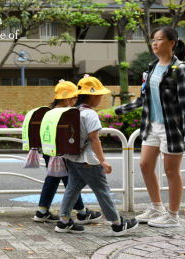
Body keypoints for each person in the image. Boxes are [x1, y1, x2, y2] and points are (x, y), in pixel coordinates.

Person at [116, 27, 185, 228]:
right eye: (153, 40)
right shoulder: (152, 68)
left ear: (172, 42)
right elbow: (145, 98)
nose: (154, 43)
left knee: (171, 171)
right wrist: (121, 109)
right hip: (151, 125)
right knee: (145, 165)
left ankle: (172, 215)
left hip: (171, 128)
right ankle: (156, 207)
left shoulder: (181, 70)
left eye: (159, 39)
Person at [55, 76, 139, 237]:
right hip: (88, 161)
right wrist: (103, 160)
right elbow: (94, 138)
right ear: (93, 96)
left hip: (72, 158)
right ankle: (117, 224)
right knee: (102, 190)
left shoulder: (72, 112)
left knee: (72, 189)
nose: (101, 98)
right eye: (100, 95)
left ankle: (64, 221)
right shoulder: (90, 114)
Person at [35, 80, 101, 224]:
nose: (76, 100)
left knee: (52, 179)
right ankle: (81, 212)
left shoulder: (49, 112)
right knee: (71, 182)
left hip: (49, 151)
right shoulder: (66, 113)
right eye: (74, 97)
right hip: (63, 152)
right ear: (67, 98)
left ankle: (42, 210)